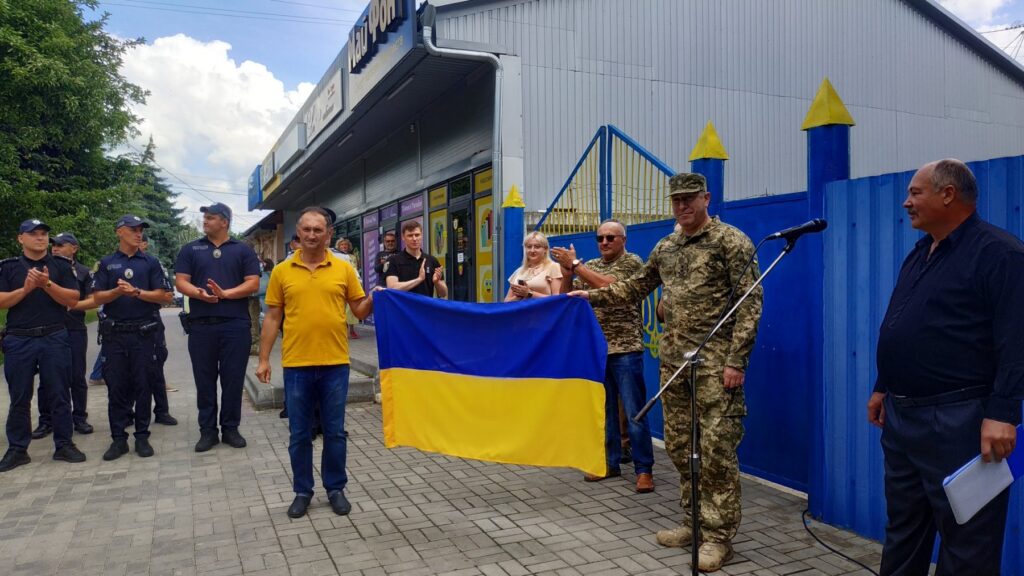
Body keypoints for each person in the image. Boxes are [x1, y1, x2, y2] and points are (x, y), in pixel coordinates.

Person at [569, 173, 762, 572]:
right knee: (680, 447)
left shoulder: (730, 241)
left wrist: (736, 361)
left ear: (706, 198)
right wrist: (590, 294)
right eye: (676, 200)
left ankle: (718, 538)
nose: (682, 206)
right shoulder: (666, 247)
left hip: (715, 365)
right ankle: (693, 523)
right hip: (675, 364)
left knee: (716, 451)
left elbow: (749, 303)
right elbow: (635, 287)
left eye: (690, 198)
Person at [867, 159, 1024, 576]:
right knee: (903, 532)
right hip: (902, 419)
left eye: (915, 193)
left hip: (960, 422)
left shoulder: (1000, 254)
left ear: (948, 194)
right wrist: (883, 386)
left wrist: (1003, 413)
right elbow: (901, 322)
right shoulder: (921, 252)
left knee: (968, 542)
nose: (906, 202)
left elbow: (1016, 339)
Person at [256, 206, 375, 518]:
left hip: (336, 364)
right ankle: (302, 491)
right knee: (299, 434)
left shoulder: (343, 269)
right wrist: (264, 359)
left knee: (335, 432)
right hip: (297, 365)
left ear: (328, 234)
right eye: (306, 229)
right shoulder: (282, 271)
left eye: (318, 230)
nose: (311, 235)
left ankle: (335, 488)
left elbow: (359, 311)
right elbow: (272, 317)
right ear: (298, 232)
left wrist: (375, 297)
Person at [553, 219, 655, 493]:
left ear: (624, 240)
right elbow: (567, 297)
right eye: (600, 238)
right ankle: (610, 464)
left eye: (611, 237)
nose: (604, 242)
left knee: (634, 412)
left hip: (626, 349)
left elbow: (612, 287)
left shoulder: (632, 262)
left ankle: (644, 470)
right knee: (605, 411)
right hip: (597, 349)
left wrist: (576, 266)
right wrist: (567, 274)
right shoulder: (591, 265)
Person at [0, 219, 87, 472]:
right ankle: (18, 449)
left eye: (43, 234)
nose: (40, 238)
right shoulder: (8, 267)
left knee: (59, 394)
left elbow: (73, 299)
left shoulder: (60, 266)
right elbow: (2, 301)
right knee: (19, 397)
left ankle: (64, 444)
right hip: (19, 339)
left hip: (54, 336)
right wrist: (26, 289)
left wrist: (47, 284)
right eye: (33, 234)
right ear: (20, 238)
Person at [175, 202, 261, 452]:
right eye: (205, 217)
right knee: (204, 381)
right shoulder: (191, 249)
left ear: (224, 222)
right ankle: (208, 431)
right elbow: (181, 282)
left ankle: (231, 428)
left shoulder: (243, 250)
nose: (205, 221)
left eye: (211, 217)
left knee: (233, 380)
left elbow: (253, 283)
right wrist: (198, 294)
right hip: (201, 326)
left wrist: (226, 294)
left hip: (235, 326)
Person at [90, 215, 174, 460]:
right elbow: (97, 297)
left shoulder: (150, 262)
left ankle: (142, 436)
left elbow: (164, 296)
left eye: (140, 230)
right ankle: (118, 439)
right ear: (119, 232)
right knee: (116, 387)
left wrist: (136, 292)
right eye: (133, 230)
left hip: (143, 334)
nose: (138, 234)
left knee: (143, 385)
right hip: (115, 335)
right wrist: (117, 292)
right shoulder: (107, 263)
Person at [37, 232, 95, 436]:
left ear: (74, 248)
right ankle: (46, 420)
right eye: (54, 244)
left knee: (77, 375)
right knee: (47, 377)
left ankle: (79, 418)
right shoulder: (44, 269)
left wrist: (73, 304)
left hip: (74, 328)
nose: (55, 248)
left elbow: (93, 299)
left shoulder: (83, 272)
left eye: (61, 245)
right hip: (49, 329)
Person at [141, 235, 178, 423]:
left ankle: (162, 411)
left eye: (140, 239)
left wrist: (140, 294)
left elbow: (168, 295)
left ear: (145, 244)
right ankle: (128, 413)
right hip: (124, 324)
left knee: (156, 367)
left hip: (151, 322)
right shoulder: (114, 264)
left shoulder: (154, 264)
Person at [384, 221, 448, 298]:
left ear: (421, 235)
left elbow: (443, 294)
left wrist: (437, 282)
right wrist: (419, 279)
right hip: (403, 305)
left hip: (425, 305)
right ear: (403, 237)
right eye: (410, 236)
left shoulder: (432, 261)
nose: (414, 239)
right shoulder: (393, 260)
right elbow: (392, 288)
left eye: (417, 235)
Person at [504, 231, 562, 301]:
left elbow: (557, 299)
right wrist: (519, 296)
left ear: (546, 249)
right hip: (522, 308)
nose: (532, 250)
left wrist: (529, 293)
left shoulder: (553, 267)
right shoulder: (519, 271)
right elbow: (506, 302)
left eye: (537, 247)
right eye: (529, 247)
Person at [336, 238, 362, 339]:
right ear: (338, 246)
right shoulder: (336, 257)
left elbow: (355, 269)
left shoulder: (352, 257)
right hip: (341, 282)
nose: (344, 246)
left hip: (352, 282)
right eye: (342, 245)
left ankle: (352, 330)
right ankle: (343, 329)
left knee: (351, 308)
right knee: (341, 307)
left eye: (345, 245)